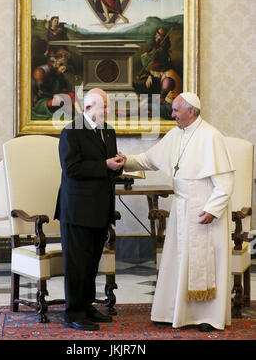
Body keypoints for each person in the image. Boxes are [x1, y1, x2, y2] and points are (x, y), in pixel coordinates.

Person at [121, 92, 235, 331]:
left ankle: (206, 317)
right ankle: (174, 312)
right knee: (177, 260)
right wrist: (125, 161)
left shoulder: (211, 136)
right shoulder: (176, 134)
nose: (172, 115)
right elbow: (149, 160)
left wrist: (213, 209)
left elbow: (225, 181)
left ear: (190, 111)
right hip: (182, 205)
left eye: (175, 110)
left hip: (204, 207)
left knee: (204, 263)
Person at [54, 88, 125, 331]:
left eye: (107, 106)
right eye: (103, 107)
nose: (107, 111)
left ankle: (86, 307)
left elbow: (109, 166)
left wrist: (118, 166)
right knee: (77, 263)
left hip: (100, 208)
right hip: (77, 209)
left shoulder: (108, 131)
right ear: (87, 109)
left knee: (92, 262)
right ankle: (73, 312)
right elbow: (71, 169)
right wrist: (104, 164)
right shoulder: (71, 132)